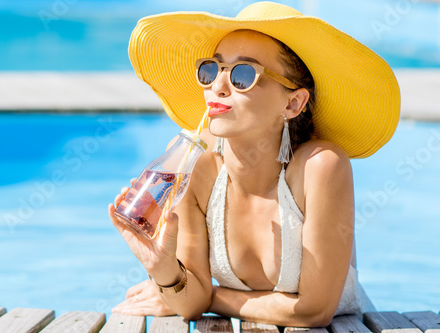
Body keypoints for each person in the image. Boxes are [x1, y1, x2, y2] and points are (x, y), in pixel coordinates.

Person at [108, 1, 399, 327]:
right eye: (211, 69)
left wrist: (210, 296)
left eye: (243, 74)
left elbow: (315, 311)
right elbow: (189, 307)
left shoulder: (321, 167)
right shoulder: (196, 165)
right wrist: (164, 271)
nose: (217, 86)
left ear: (293, 103)